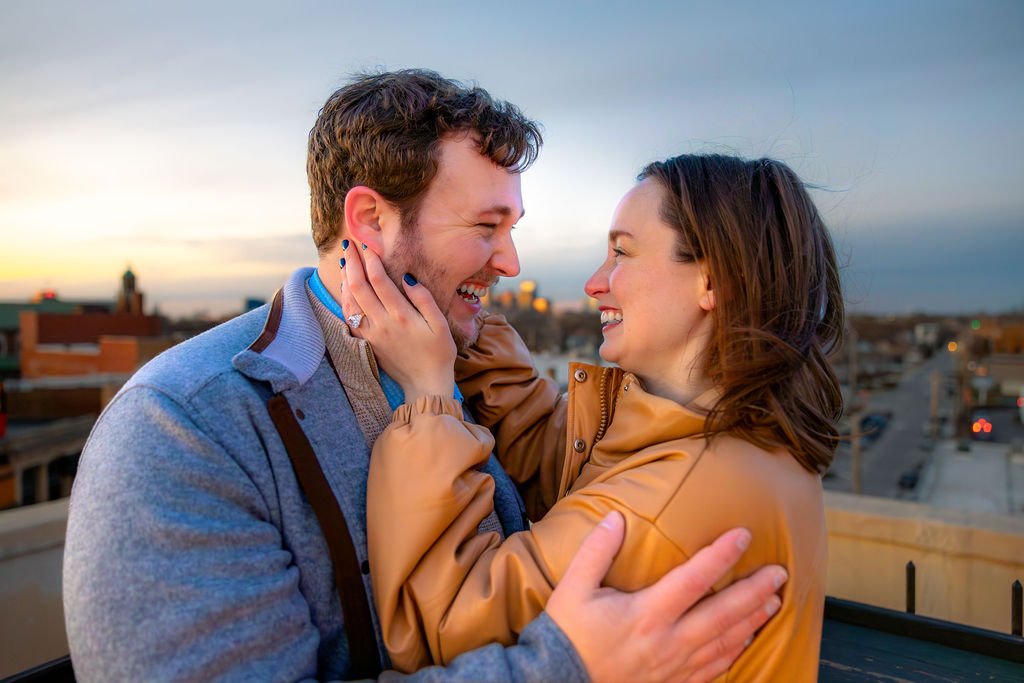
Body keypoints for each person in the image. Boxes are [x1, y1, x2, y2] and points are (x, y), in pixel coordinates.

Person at [63, 71, 787, 682]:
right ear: (370, 219)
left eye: (512, 229)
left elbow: (571, 470)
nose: (511, 261)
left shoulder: (455, 364)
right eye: (485, 226)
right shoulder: (184, 430)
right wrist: (566, 666)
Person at [340, 153, 843, 680]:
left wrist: (428, 395)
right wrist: (462, 317)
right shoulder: (728, 436)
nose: (595, 283)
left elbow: (436, 629)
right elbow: (566, 459)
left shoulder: (663, 509)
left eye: (621, 253)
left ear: (712, 281)